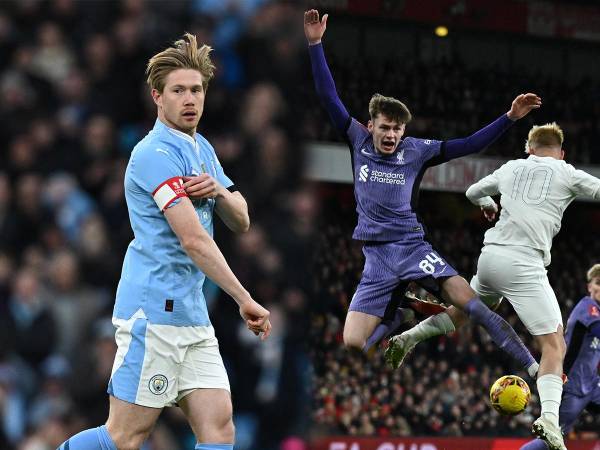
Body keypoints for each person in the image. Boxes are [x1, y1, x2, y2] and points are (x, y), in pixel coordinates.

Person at [57, 33, 272, 450]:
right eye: (178, 90)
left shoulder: (202, 148)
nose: (189, 99)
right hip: (154, 312)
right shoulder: (152, 153)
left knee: (219, 427)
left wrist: (220, 192)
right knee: (124, 436)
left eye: (196, 89)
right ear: (158, 96)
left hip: (191, 314)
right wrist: (243, 297)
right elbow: (193, 239)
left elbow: (242, 220)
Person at [392, 123, 600, 449]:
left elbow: (472, 192)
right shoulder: (567, 171)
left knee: (461, 313)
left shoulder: (513, 167)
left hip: (489, 259)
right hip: (524, 264)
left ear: (528, 148)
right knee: (554, 346)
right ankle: (549, 417)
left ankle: (407, 338)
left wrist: (489, 203)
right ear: (561, 152)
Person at [520, 264, 600, 449]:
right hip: (571, 386)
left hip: (592, 384)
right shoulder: (587, 307)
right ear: (589, 286)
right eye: (598, 283)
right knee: (550, 439)